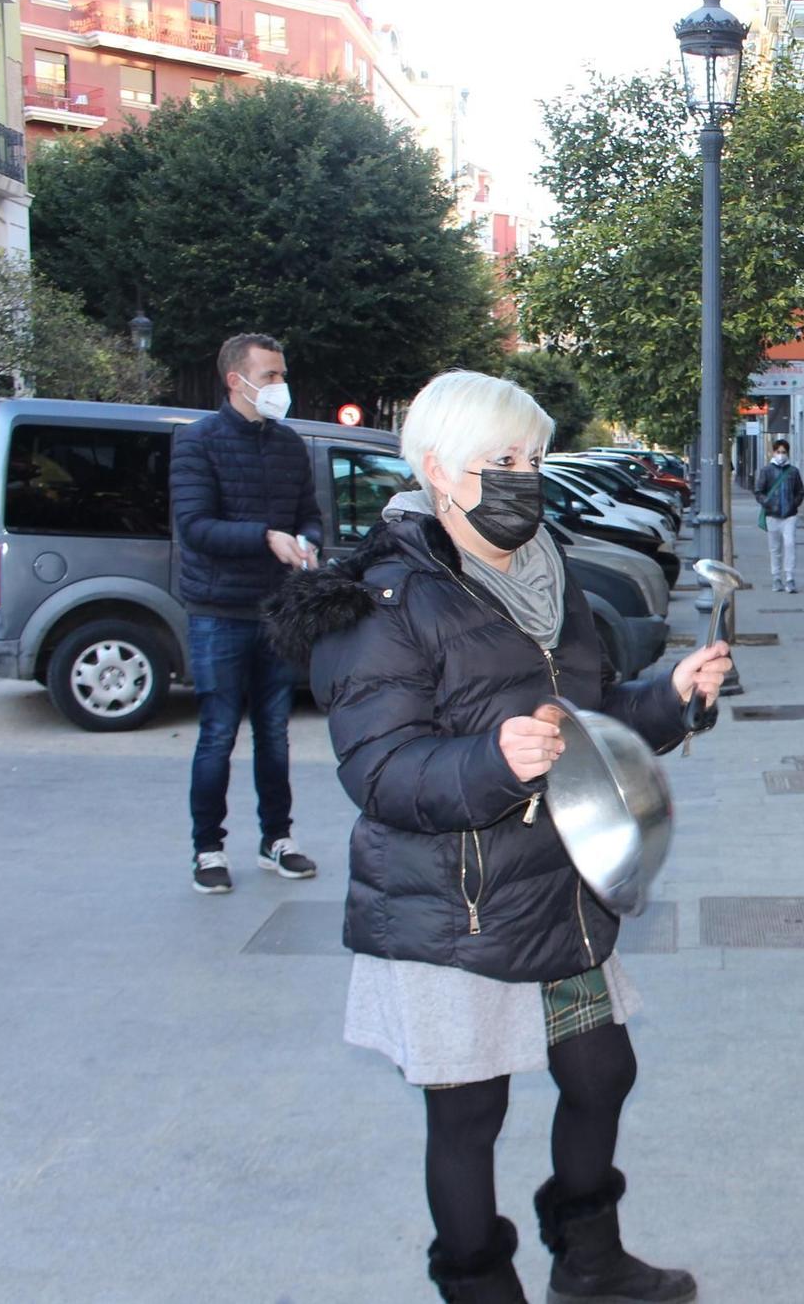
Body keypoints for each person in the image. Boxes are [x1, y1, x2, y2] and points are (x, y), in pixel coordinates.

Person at [266, 371, 731, 1303]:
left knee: (603, 1071)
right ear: (439, 470)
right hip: (453, 902)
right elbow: (381, 771)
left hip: (558, 884)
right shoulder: (385, 600)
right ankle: (483, 1290)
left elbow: (592, 723)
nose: (525, 478)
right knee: (468, 1113)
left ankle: (590, 1260)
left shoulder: (550, 580)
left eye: (532, 458)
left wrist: (674, 698)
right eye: (501, 462)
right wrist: (492, 757)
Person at [170, 332, 321, 895]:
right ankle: (208, 849)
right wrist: (267, 537)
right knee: (216, 734)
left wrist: (306, 541)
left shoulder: (288, 446)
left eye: (283, 374)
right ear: (237, 380)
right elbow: (195, 527)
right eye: (272, 376)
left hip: (275, 610)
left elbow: (310, 514)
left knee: (275, 734)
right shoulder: (198, 443)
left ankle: (276, 840)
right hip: (218, 610)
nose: (282, 386)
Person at [754, 438, 804, 593]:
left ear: (787, 453)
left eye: (783, 452)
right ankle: (776, 578)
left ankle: (790, 578)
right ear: (773, 452)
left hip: (789, 515)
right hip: (772, 515)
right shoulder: (766, 471)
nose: (781, 455)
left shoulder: (793, 471)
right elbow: (758, 492)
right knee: (774, 548)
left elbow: (800, 492)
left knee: (790, 544)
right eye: (778, 452)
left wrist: (793, 504)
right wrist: (768, 503)